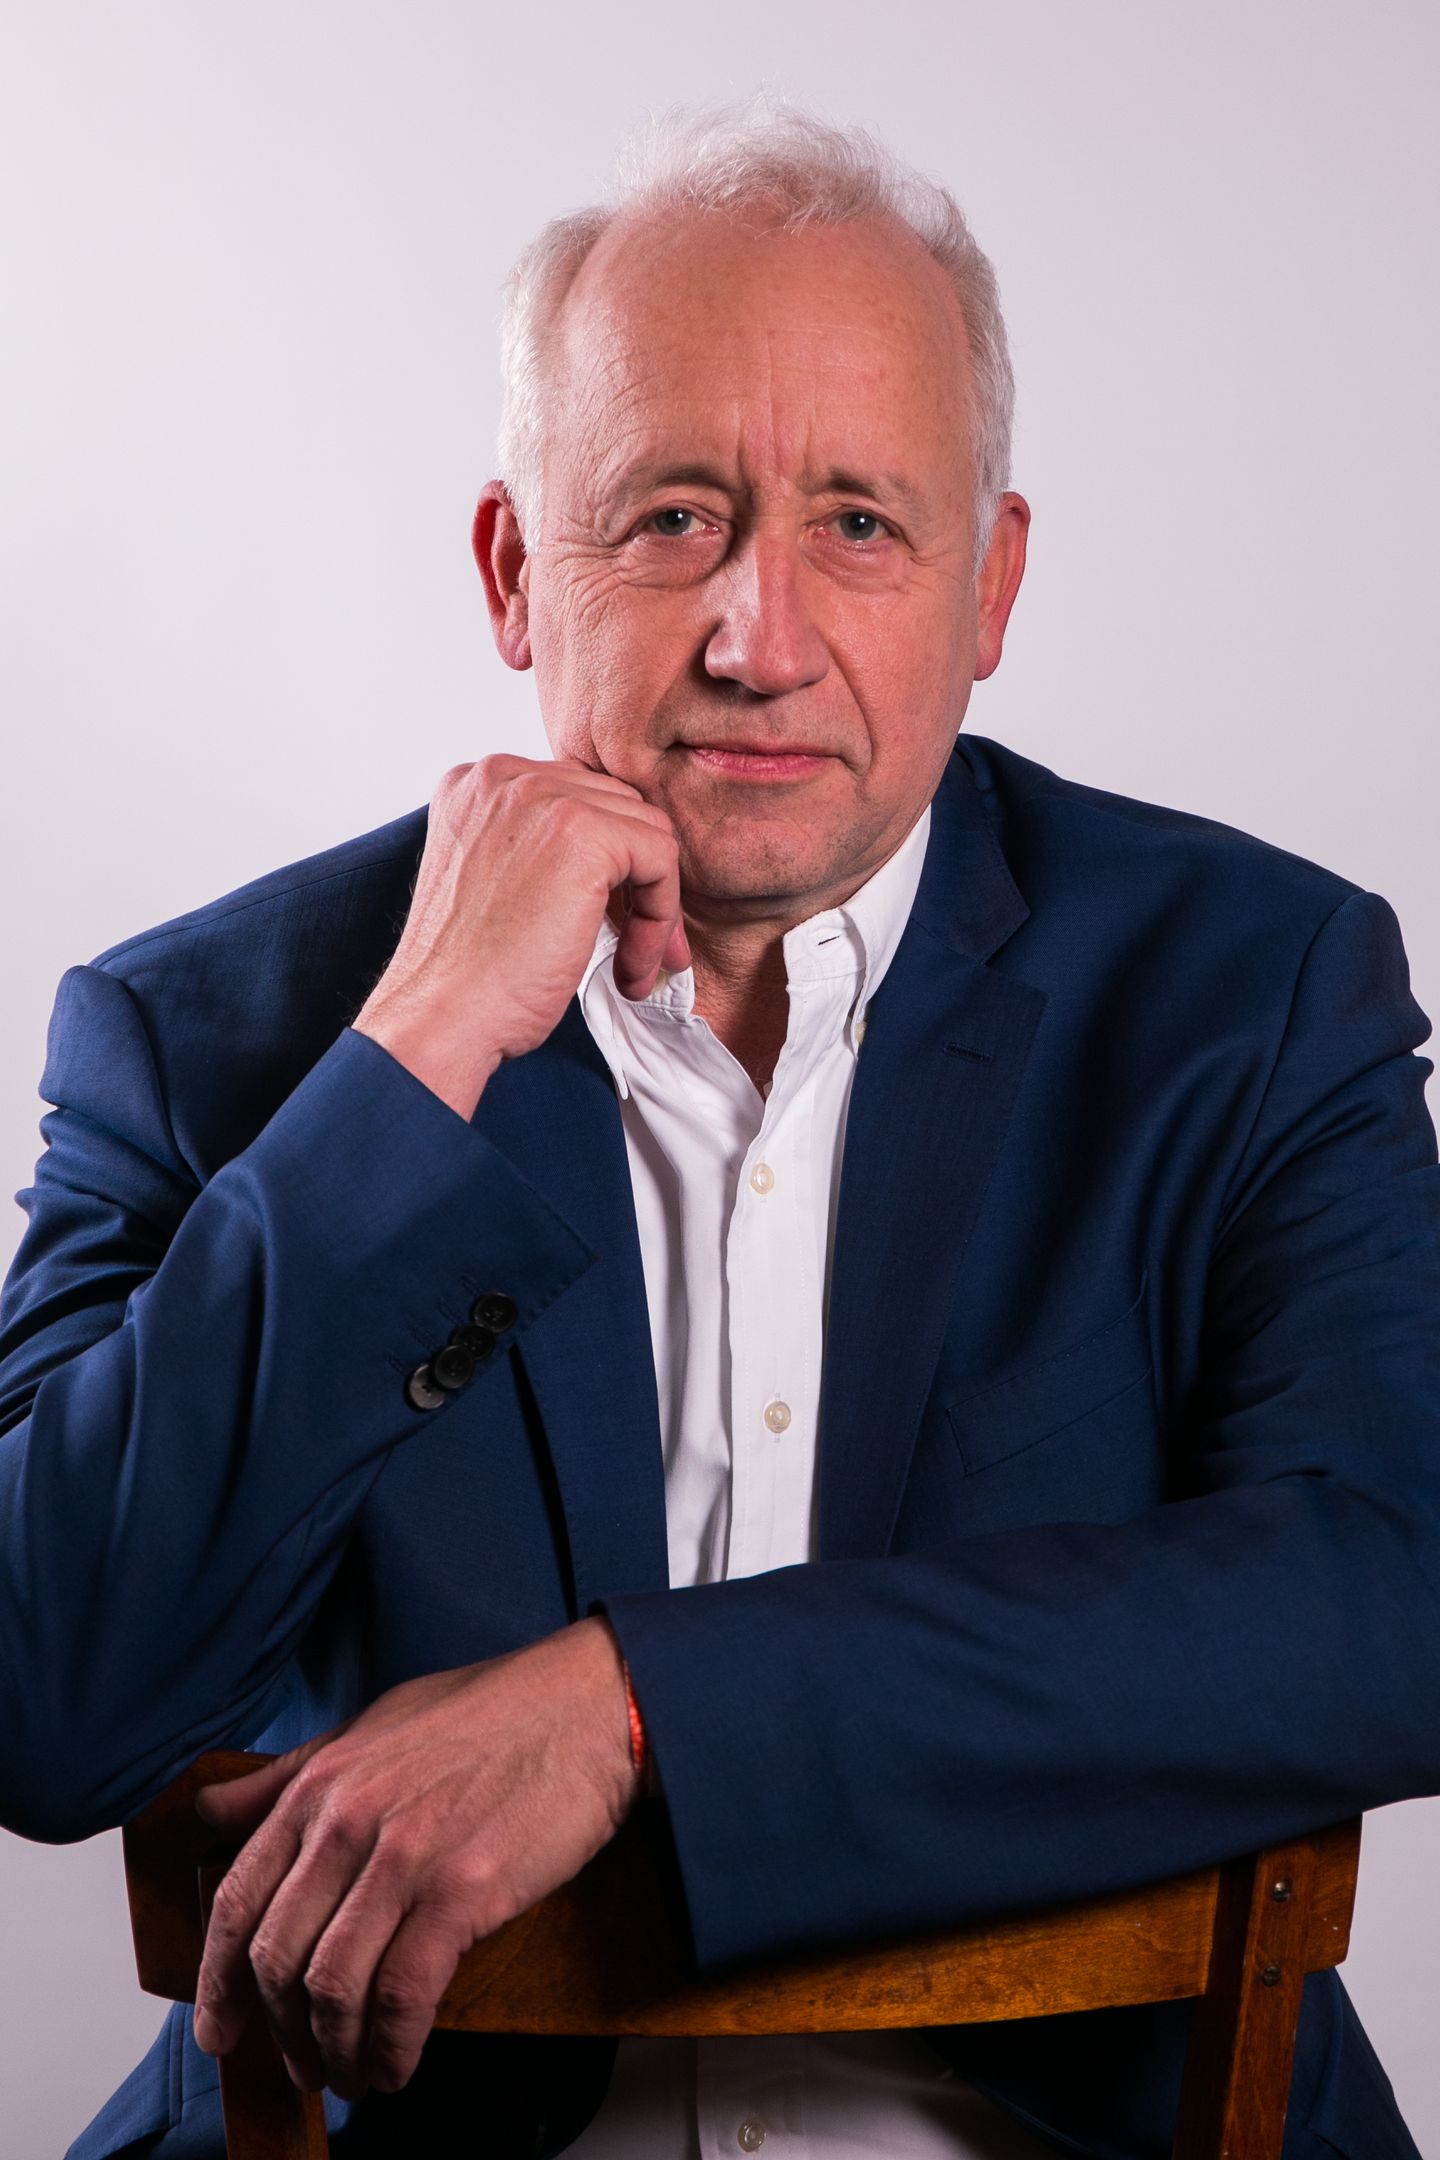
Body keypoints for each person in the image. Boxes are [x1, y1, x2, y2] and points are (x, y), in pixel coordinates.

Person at [1, 100, 1435, 2160]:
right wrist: (414, 1054)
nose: (763, 641)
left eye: (860, 522)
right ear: (517, 571)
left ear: (990, 586)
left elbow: (1391, 1596)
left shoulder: (1255, 994)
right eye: (673, 516)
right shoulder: (211, 1032)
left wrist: (636, 1708)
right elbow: (42, 1697)